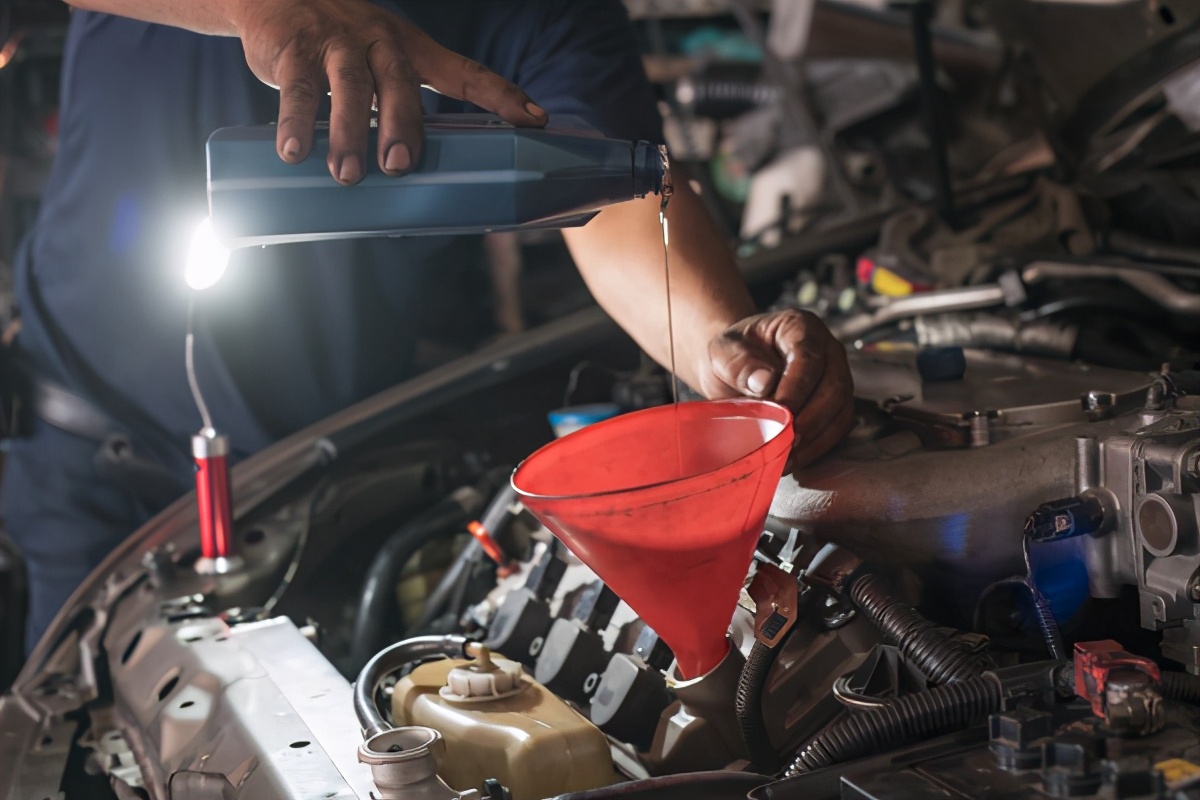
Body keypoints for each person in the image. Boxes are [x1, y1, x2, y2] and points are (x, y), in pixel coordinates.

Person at [0, 0, 854, 652]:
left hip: (315, 494)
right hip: (94, 475)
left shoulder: (541, 13)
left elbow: (613, 197)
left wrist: (721, 341)